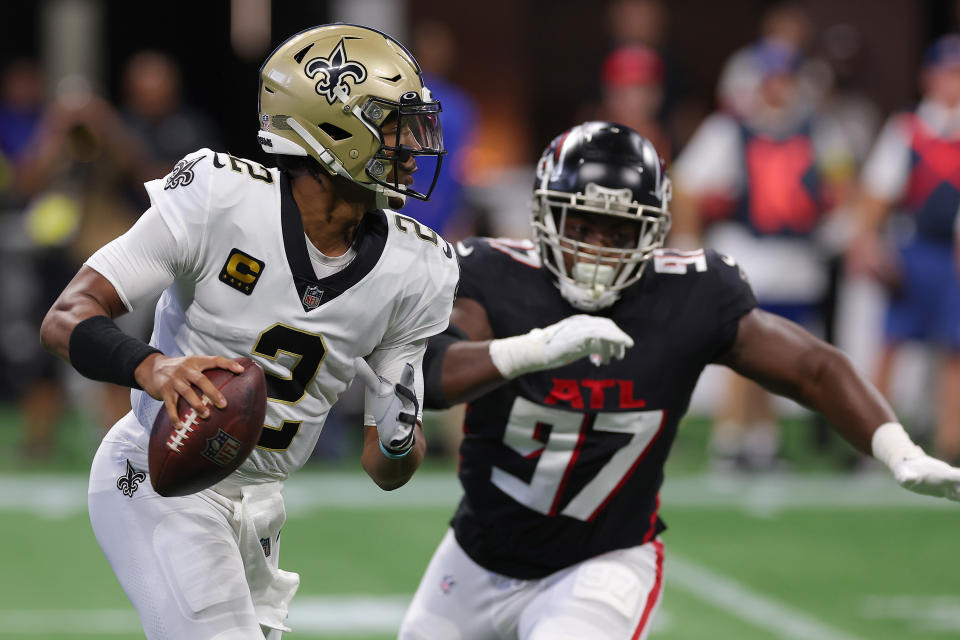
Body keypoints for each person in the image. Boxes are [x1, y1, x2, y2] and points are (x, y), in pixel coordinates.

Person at [397, 121, 960, 640]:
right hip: (475, 553)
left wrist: (897, 449)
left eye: (618, 230)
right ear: (545, 218)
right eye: (581, 224)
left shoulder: (691, 294)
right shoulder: (492, 275)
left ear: (655, 231)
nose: (596, 247)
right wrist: (533, 348)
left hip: (600, 561)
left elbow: (815, 369)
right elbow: (428, 374)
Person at [39, 23, 458, 639]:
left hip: (261, 505)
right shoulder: (218, 197)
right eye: (393, 124)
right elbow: (66, 317)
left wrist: (399, 437)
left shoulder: (416, 267)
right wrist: (153, 367)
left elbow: (384, 467)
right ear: (333, 127)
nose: (413, 144)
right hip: (161, 472)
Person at [671, 39, 853, 471]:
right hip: (748, 250)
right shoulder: (729, 128)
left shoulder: (819, 130)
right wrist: (688, 240)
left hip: (797, 257)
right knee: (743, 348)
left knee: (778, 356)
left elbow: (844, 181)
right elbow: (688, 184)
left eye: (785, 79)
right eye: (771, 79)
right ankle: (731, 439)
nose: (778, 88)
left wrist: (840, 224)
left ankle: (762, 440)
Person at [849, 33, 960, 464]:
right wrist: (866, 241)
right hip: (915, 250)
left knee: (956, 351)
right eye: (946, 73)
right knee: (891, 343)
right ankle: (875, 441)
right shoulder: (908, 129)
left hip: (952, 256)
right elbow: (877, 193)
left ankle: (951, 444)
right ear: (928, 78)